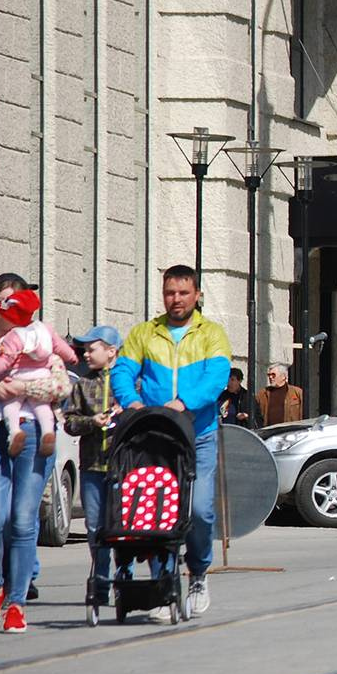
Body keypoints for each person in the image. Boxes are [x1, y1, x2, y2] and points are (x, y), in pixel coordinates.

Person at [110, 265, 233, 618]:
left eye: (182, 293)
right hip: (155, 436)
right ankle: (164, 585)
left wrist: (184, 404)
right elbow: (122, 370)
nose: (175, 299)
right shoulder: (145, 333)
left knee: (198, 509)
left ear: (197, 295)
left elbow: (217, 377)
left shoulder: (211, 334)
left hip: (200, 435)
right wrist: (131, 401)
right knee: (157, 510)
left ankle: (197, 573)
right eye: (169, 293)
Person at [0, 272, 56, 633]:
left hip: (32, 435)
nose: (10, 307)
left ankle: (16, 602)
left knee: (22, 521)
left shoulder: (38, 337)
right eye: (4, 301)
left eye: (16, 300)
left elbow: (62, 378)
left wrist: (27, 386)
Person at [61, 325, 122, 606]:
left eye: (91, 348)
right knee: (95, 527)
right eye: (84, 349)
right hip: (92, 467)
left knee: (123, 527)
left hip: (123, 467)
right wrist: (91, 422)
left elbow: (142, 413)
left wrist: (125, 411)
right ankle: (100, 580)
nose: (85, 354)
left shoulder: (128, 383)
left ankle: (124, 578)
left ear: (111, 352)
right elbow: (70, 422)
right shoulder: (82, 384)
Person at [0, 287, 78, 458]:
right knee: (42, 406)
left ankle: (15, 432)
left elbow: (3, 362)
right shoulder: (45, 330)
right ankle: (47, 432)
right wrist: (72, 356)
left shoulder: (13, 337)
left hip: (27, 419)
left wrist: (21, 387)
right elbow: (61, 346)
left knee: (11, 406)